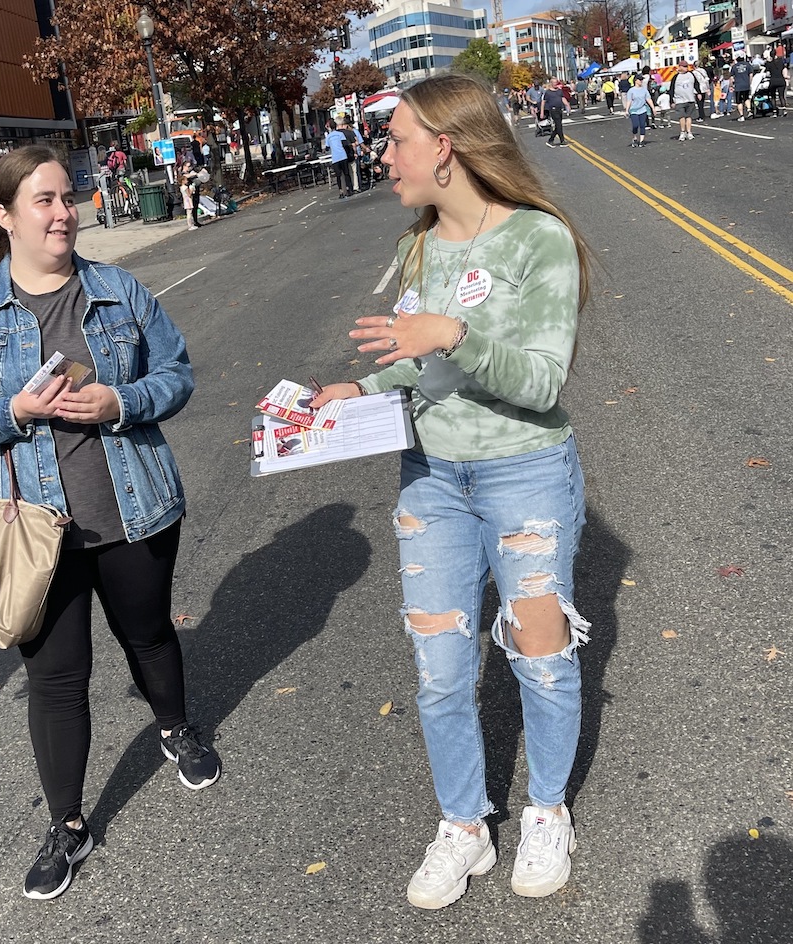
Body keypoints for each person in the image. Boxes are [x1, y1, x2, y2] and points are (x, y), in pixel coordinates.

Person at [310, 71, 591, 912]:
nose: (382, 154)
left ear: (447, 146)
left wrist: (456, 335)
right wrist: (354, 394)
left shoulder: (538, 240)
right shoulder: (418, 247)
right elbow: (414, 362)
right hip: (431, 479)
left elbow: (542, 381)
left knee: (540, 660)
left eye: (395, 139)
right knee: (438, 670)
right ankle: (463, 826)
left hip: (525, 470)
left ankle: (547, 812)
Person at [0, 145, 221, 902]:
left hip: (133, 507)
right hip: (32, 529)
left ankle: (175, 727)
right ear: (4, 216)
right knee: (57, 679)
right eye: (44, 201)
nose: (64, 213)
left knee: (148, 633)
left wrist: (120, 402)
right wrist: (12, 411)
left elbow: (177, 373)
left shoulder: (118, 290)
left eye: (68, 196)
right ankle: (68, 825)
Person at [669, 61, 699, 140]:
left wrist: (698, 92)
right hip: (679, 100)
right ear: (680, 67)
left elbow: (696, 84)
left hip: (690, 99)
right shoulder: (676, 77)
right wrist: (671, 101)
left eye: (686, 66)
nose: (686, 68)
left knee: (689, 116)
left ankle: (689, 132)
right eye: (684, 66)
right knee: (681, 116)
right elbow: (671, 89)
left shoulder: (691, 75)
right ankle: (682, 132)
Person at [324, 117, 352, 198]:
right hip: (343, 155)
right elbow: (345, 144)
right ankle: (348, 189)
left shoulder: (328, 136)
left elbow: (327, 147)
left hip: (335, 158)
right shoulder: (340, 134)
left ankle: (341, 191)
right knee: (346, 173)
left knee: (338, 175)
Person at [625, 74, 655, 147]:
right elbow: (629, 100)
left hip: (643, 110)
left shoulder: (644, 90)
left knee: (642, 125)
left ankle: (641, 141)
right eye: (640, 80)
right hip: (634, 110)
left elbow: (648, 99)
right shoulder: (631, 90)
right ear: (636, 81)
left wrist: (653, 108)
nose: (641, 81)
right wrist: (627, 110)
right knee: (635, 125)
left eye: (642, 80)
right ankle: (634, 138)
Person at [540, 77, 570, 147]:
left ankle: (550, 140)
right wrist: (542, 112)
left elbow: (563, 98)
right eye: (554, 82)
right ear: (551, 83)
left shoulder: (559, 91)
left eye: (556, 82)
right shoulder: (548, 92)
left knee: (558, 126)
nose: (555, 84)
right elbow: (543, 102)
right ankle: (562, 141)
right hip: (553, 110)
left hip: (559, 109)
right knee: (559, 125)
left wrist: (567, 105)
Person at [731, 53, 753, 121]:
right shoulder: (748, 65)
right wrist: (750, 83)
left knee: (739, 101)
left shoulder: (734, 66)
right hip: (746, 84)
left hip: (738, 86)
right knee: (746, 98)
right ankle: (749, 110)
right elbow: (751, 74)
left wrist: (731, 85)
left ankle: (742, 115)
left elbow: (732, 77)